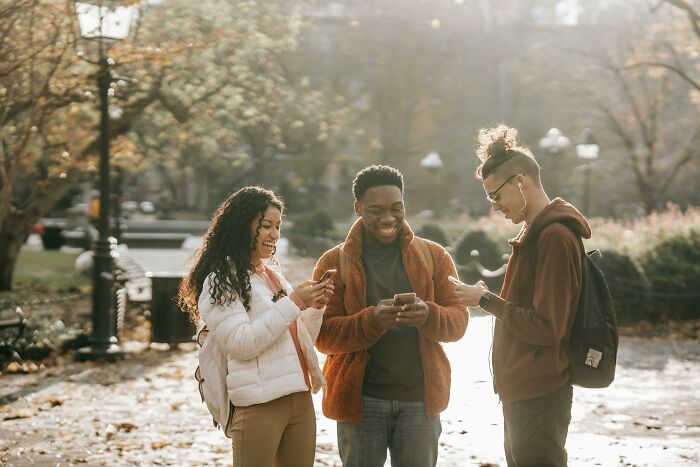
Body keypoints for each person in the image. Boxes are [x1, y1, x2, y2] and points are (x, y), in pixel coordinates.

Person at [452, 124, 591, 467]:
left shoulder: (554, 236)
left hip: (540, 392)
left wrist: (484, 300)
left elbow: (547, 327)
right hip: (524, 390)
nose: (495, 206)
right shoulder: (536, 232)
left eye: (496, 196)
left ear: (519, 180)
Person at [313, 165, 468, 467]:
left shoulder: (433, 256)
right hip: (361, 403)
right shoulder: (334, 262)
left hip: (420, 402)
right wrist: (371, 321)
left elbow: (459, 322)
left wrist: (428, 315)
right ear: (358, 208)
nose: (388, 218)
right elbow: (323, 336)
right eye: (376, 210)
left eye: (397, 209)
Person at [178, 186, 333, 467]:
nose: (274, 234)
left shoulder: (272, 275)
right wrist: (295, 302)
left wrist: (315, 307)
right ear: (242, 226)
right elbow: (241, 344)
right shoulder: (220, 281)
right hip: (260, 405)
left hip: (299, 398)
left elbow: (300, 339)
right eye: (266, 226)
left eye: (278, 226)